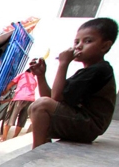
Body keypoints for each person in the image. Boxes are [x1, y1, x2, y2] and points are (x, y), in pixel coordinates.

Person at [27, 17, 117, 149]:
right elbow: (52, 99)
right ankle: (43, 146)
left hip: (90, 125)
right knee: (37, 106)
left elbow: (55, 97)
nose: (79, 46)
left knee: (40, 106)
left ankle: (36, 150)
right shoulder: (88, 71)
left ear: (105, 46)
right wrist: (41, 76)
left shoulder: (99, 70)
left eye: (88, 41)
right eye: (77, 42)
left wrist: (63, 64)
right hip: (85, 124)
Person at [0, 66, 39, 142]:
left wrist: (5, 91)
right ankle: (15, 137)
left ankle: (4, 137)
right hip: (30, 100)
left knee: (10, 118)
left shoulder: (23, 74)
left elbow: (11, 83)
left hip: (19, 99)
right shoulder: (34, 80)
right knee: (22, 119)